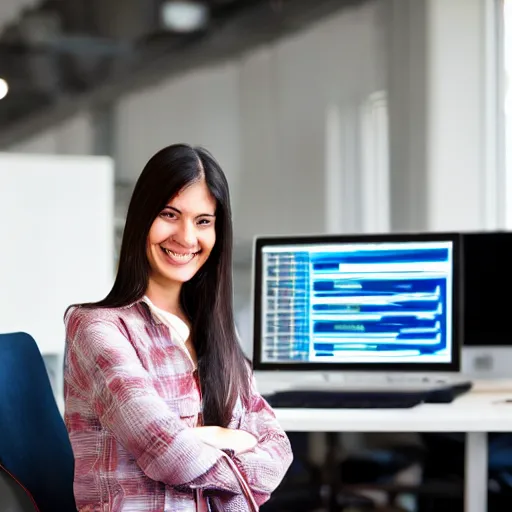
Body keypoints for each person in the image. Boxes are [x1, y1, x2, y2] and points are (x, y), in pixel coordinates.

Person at [63, 144, 293, 512]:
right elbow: (169, 452)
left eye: (203, 221)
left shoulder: (215, 331)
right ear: (142, 218)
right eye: (170, 215)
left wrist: (204, 440)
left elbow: (279, 448)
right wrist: (236, 442)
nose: (186, 238)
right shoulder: (97, 328)